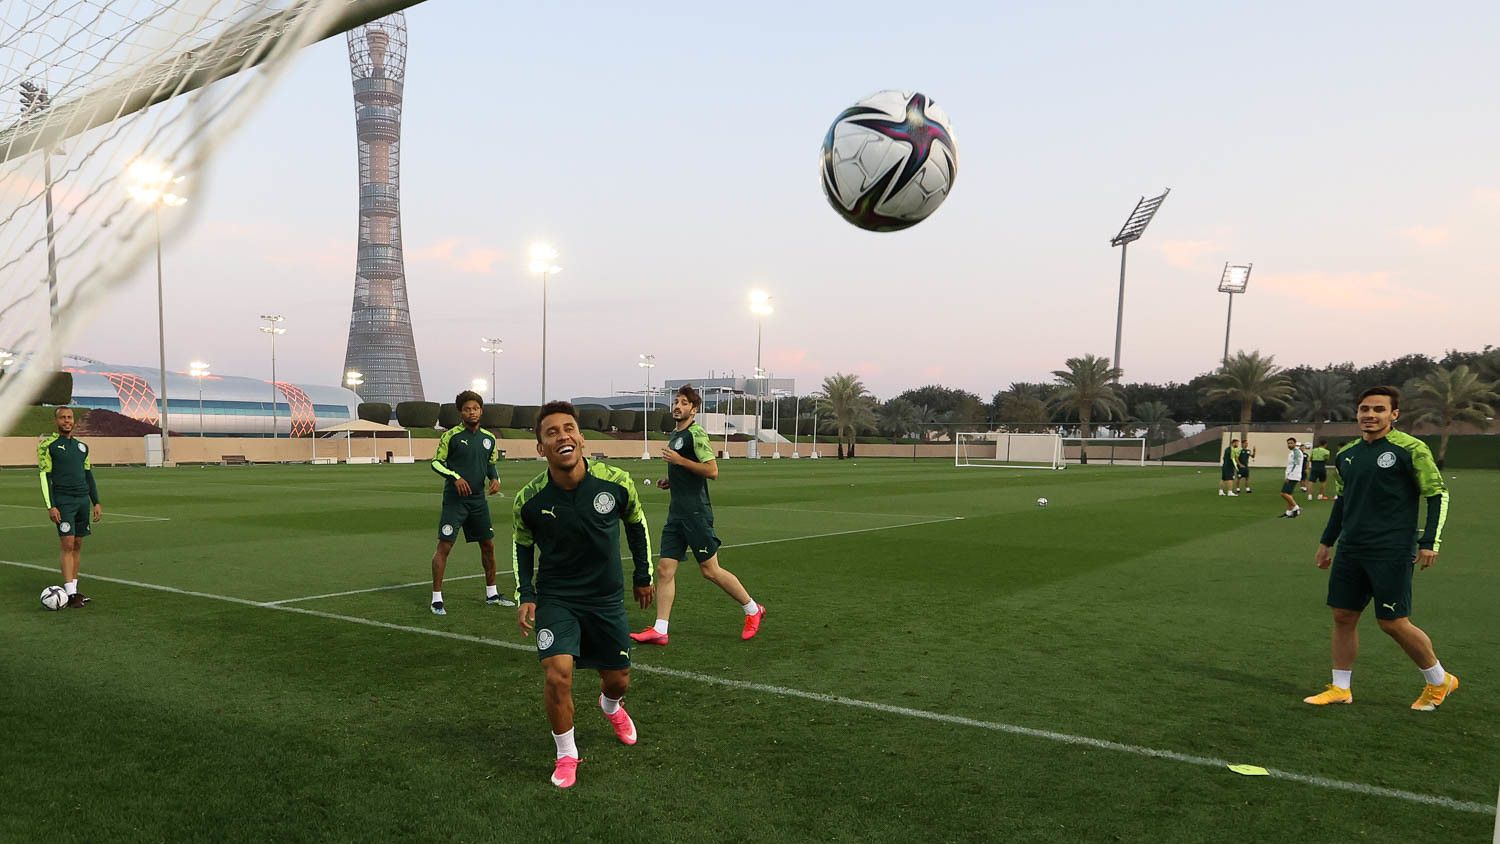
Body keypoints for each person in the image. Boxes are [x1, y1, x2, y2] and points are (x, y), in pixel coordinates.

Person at [513, 401, 654, 788]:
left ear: (582, 439)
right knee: (557, 676)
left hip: (605, 599)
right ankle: (566, 754)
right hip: (557, 598)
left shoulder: (616, 482)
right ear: (541, 447)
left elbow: (636, 523)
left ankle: (610, 706)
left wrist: (644, 574)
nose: (563, 436)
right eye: (552, 432)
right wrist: (527, 593)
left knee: (619, 679)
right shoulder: (529, 499)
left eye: (569, 428)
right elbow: (522, 544)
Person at [1304, 386, 1456, 711]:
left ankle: (1439, 679)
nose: (1370, 415)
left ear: (1394, 414)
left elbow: (1437, 494)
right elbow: (1342, 503)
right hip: (1351, 549)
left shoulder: (1410, 449)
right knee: (1343, 616)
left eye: (1378, 409)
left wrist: (1430, 542)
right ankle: (1340, 687)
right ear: (1357, 413)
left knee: (1393, 622)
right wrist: (1327, 541)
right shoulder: (1347, 455)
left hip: (1391, 549)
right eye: (1364, 409)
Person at [630, 384, 765, 646]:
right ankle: (660, 629)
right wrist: (672, 480)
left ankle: (752, 609)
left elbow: (712, 470)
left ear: (694, 409)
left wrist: (680, 462)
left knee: (710, 570)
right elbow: (689, 472)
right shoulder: (676, 434)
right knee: (665, 569)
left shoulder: (696, 434)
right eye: (676, 402)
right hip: (677, 513)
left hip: (695, 513)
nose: (677, 406)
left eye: (683, 402)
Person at [428, 390, 512, 615]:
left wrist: (495, 478)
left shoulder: (489, 439)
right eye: (467, 409)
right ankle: (437, 599)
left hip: (478, 502)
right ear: (460, 412)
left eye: (475, 408)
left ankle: (492, 594)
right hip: (456, 502)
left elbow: (490, 464)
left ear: (481, 411)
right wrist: (455, 477)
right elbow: (436, 463)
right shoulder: (451, 436)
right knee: (444, 546)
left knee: (488, 546)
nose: (472, 412)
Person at [38, 407, 101, 608]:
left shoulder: (82, 447)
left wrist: (96, 501)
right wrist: (51, 506)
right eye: (63, 418)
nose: (67, 421)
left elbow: (89, 475)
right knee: (67, 543)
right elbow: (44, 477)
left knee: (78, 545)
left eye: (69, 417)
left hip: (83, 500)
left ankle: (74, 590)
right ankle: (71, 593)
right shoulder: (47, 446)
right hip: (64, 501)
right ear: (56, 421)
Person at [1278, 437, 1303, 519]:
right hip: (1292, 475)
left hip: (1293, 476)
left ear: (1295, 443)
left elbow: (1296, 464)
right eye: (1288, 443)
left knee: (1283, 493)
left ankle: (1296, 507)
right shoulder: (1293, 452)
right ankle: (1288, 512)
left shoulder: (1296, 452)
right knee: (1289, 494)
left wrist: (1289, 476)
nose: (1289, 445)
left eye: (1291, 443)